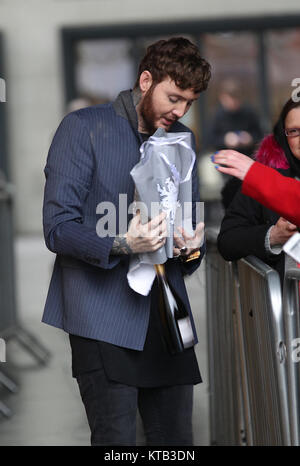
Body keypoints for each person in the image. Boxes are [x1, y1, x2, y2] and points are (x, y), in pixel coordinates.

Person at [42, 37, 211, 446]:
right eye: (174, 97)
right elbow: (57, 226)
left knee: (176, 442)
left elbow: (186, 235)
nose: (180, 111)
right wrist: (123, 243)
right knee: (115, 441)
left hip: (168, 317)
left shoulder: (181, 139)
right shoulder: (84, 127)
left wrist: (191, 248)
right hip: (102, 316)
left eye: (189, 102)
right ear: (146, 79)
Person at [217, 98, 300, 283]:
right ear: (284, 135)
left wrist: (258, 176)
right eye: (294, 131)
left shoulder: (262, 178)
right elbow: (228, 240)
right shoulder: (267, 174)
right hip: (283, 305)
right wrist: (273, 236)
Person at [208, 78, 263, 207]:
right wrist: (226, 139)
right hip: (226, 164)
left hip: (247, 160)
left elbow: (260, 136)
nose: (233, 103)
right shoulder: (217, 116)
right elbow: (210, 140)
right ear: (223, 98)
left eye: (236, 99)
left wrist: (249, 138)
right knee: (231, 197)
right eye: (230, 99)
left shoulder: (249, 113)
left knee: (250, 197)